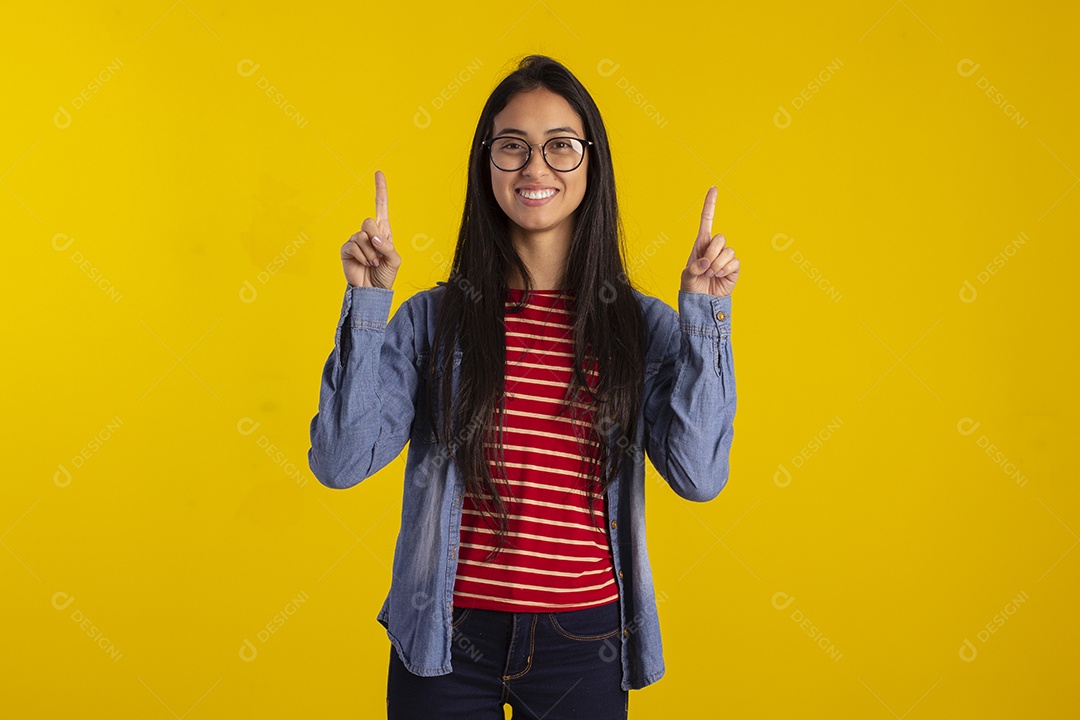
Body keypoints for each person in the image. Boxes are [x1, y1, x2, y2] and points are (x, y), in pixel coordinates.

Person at [308, 54, 739, 720]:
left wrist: (706, 319)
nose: (536, 168)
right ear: (487, 165)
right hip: (444, 638)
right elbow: (340, 463)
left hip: (584, 638)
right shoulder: (433, 319)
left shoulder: (638, 325)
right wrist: (367, 306)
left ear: (591, 164)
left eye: (560, 147)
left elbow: (699, 475)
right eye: (512, 148)